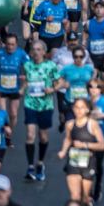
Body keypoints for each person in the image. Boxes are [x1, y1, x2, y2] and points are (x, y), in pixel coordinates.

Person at [22, 40, 63, 182]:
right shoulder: (27, 65)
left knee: (43, 137)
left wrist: (52, 89)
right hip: (30, 103)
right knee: (30, 135)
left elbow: (60, 82)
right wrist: (22, 88)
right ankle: (30, 166)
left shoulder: (50, 66)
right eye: (34, 49)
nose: (36, 52)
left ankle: (40, 162)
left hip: (46, 105)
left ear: (44, 52)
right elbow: (25, 81)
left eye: (39, 49)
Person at [56, 98, 104, 206]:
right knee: (75, 196)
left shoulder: (92, 124)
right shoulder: (69, 124)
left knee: (84, 197)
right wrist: (63, 151)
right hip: (73, 162)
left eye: (82, 107)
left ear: (87, 110)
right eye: (76, 107)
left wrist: (85, 145)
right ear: (73, 109)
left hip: (88, 163)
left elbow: (101, 145)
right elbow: (68, 139)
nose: (79, 110)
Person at [0, 35, 29, 133]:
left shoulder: (21, 53)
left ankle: (9, 134)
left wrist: (23, 87)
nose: (10, 47)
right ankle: (3, 133)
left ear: (16, 44)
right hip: (0, 88)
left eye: (13, 44)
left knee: (13, 114)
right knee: (3, 114)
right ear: (5, 44)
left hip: (15, 89)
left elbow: (29, 70)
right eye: (8, 44)